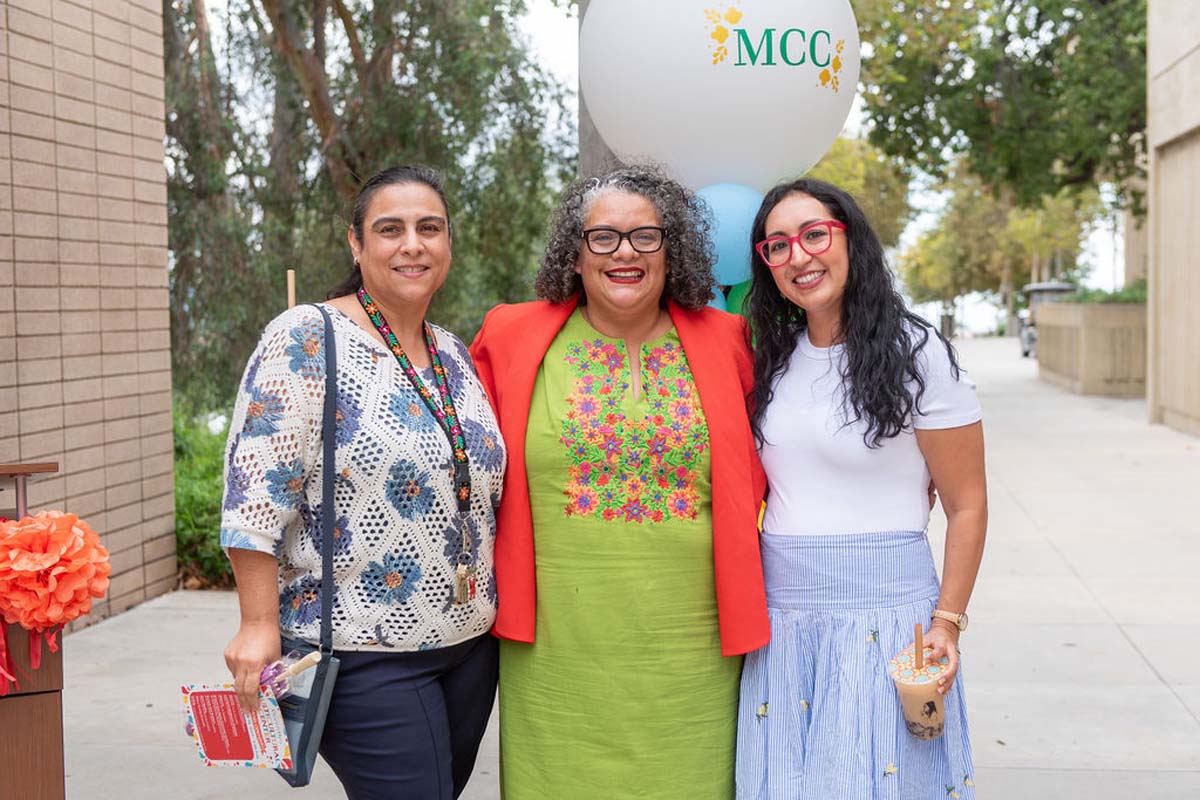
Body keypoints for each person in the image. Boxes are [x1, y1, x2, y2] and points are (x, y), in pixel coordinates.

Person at [470, 165, 769, 799]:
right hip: (557, 646)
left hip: (693, 642)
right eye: (602, 237)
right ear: (573, 254)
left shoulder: (731, 341)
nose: (624, 252)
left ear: (673, 249)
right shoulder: (510, 336)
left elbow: (788, 450)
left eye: (645, 236)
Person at [219, 165, 506, 800]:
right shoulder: (307, 336)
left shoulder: (454, 353)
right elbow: (254, 495)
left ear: (448, 244)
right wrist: (257, 624)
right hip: (360, 648)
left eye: (430, 228)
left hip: (467, 648)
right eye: (390, 229)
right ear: (356, 244)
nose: (413, 244)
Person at [735, 178, 987, 799]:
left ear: (850, 239)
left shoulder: (918, 352)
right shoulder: (772, 356)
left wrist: (947, 623)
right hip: (783, 619)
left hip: (891, 615)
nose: (799, 256)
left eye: (814, 234)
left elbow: (967, 504)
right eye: (777, 246)